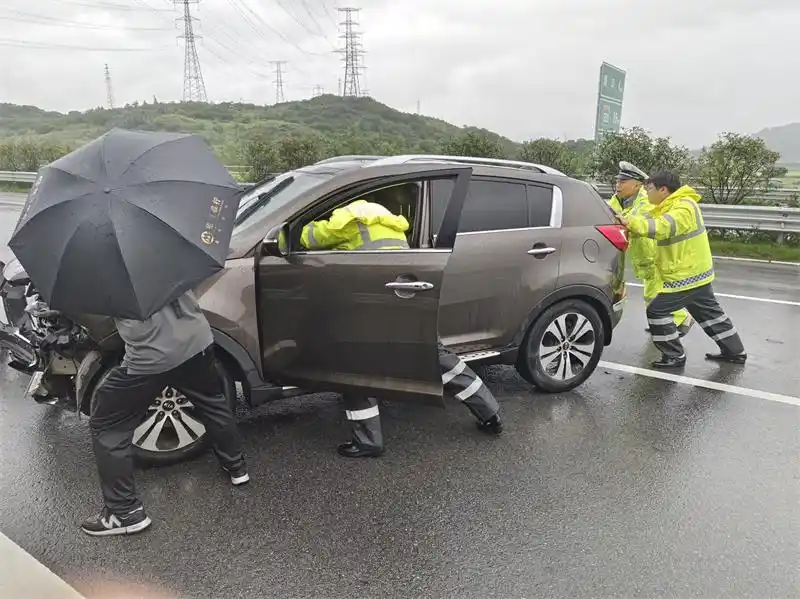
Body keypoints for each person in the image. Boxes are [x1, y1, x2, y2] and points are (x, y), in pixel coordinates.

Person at [300, 191, 503, 458]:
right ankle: (490, 414)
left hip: (370, 307)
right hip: (405, 302)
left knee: (356, 368)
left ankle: (368, 442)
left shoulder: (348, 221)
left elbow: (306, 238)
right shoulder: (393, 224)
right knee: (439, 360)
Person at [82, 290, 248, 537]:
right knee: (212, 402)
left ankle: (124, 514)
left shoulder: (112, 278)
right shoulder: (166, 258)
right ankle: (237, 468)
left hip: (151, 359)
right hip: (198, 343)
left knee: (107, 425)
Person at [619, 170, 747, 369]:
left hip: (686, 274)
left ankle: (674, 355)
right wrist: (625, 219)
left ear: (663, 190)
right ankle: (735, 351)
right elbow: (643, 217)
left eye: (649, 188)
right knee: (710, 314)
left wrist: (632, 223)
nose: (646, 192)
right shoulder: (667, 205)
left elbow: (662, 227)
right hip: (695, 273)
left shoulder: (684, 207)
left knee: (657, 310)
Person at [608, 161, 692, 337]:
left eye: (623, 182)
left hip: (654, 254)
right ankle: (665, 323)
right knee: (651, 292)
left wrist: (623, 221)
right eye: (617, 182)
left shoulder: (646, 201)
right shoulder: (617, 201)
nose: (618, 185)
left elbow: (637, 221)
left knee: (656, 292)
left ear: (637, 185)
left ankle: (679, 320)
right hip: (641, 255)